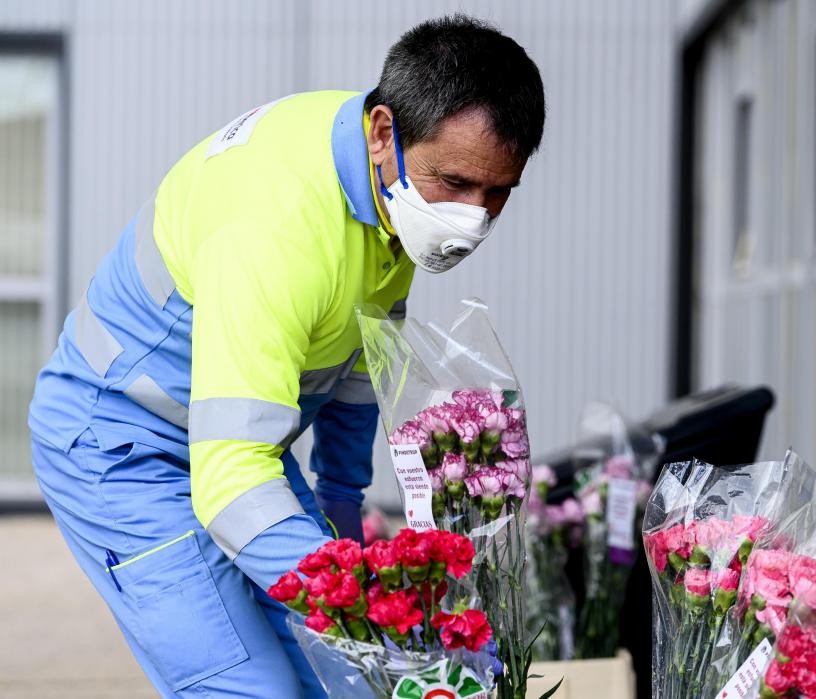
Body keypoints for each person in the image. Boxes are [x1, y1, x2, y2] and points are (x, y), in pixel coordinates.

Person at [28, 14, 545, 698]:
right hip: (121, 448)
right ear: (384, 132)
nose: (473, 218)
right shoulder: (276, 227)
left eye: (497, 191)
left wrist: (343, 514)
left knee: (355, 683)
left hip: (235, 445)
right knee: (254, 687)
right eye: (454, 182)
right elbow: (231, 481)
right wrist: (362, 610)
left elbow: (363, 362)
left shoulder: (391, 194)